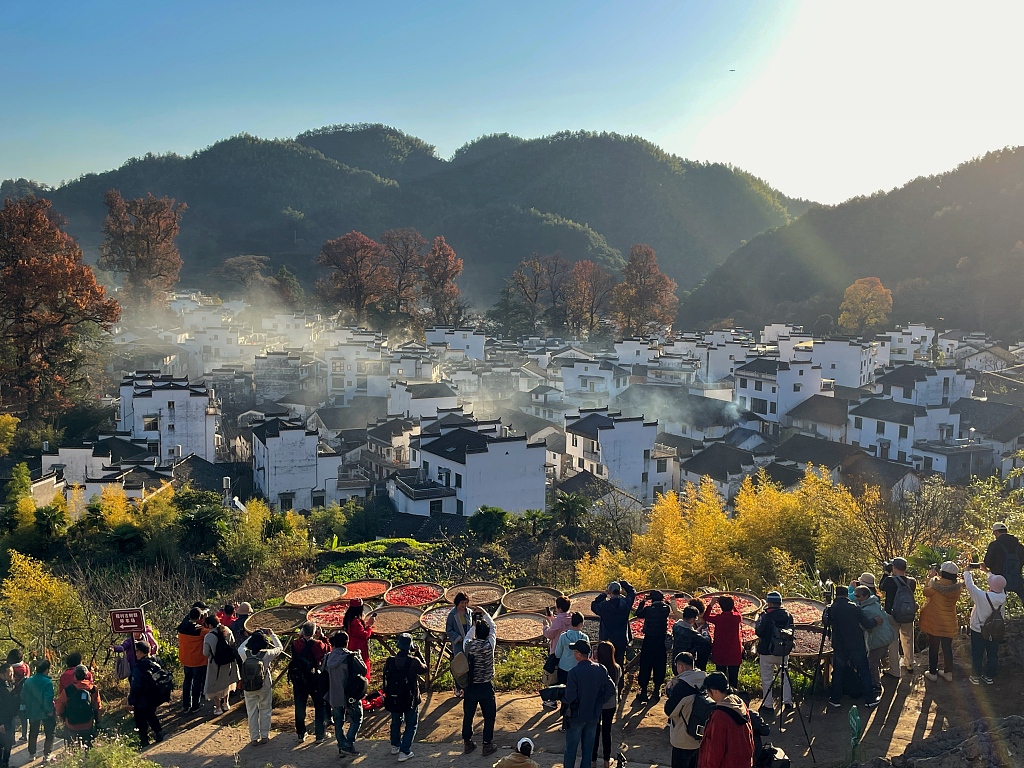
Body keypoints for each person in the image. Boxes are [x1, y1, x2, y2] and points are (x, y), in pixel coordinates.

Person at [563, 639, 616, 768]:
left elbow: (570, 697)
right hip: (593, 714)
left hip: (576, 715)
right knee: (587, 750)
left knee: (571, 749)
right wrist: (598, 702)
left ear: (578, 654)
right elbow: (611, 688)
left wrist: (562, 698)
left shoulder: (573, 673)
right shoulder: (601, 669)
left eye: (575, 651)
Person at [824, 589, 879, 709]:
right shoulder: (854, 608)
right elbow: (867, 624)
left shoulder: (832, 608)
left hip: (839, 645)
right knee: (864, 670)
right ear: (846, 594)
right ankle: (869, 699)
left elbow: (825, 622)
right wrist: (875, 621)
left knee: (838, 672)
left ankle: (835, 699)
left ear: (836, 595)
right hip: (856, 644)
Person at [383, 632, 428, 761]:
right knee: (411, 724)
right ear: (410, 646)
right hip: (410, 698)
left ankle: (395, 745)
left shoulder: (390, 660)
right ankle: (405, 751)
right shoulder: (414, 661)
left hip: (394, 697)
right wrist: (418, 653)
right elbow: (424, 669)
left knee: (396, 721)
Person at [697, 671, 754, 768]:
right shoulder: (740, 704)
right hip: (743, 761)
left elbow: (716, 749)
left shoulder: (720, 716)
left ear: (714, 691)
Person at [237, 628, 284, 745]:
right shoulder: (267, 654)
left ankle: (254, 738)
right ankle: (264, 736)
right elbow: (280, 648)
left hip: (248, 686)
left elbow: (240, 647)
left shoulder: (244, 653)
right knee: (265, 709)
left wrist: (251, 635)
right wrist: (272, 635)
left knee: (251, 711)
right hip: (264, 684)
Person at [325, 629, 367, 757]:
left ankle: (341, 745)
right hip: (350, 695)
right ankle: (348, 743)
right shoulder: (350, 657)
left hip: (334, 694)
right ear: (346, 642)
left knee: (338, 721)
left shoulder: (328, 657)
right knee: (357, 718)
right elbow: (363, 670)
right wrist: (358, 656)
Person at [919, 561, 963, 682]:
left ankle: (932, 672)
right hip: (949, 621)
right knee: (947, 647)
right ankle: (948, 672)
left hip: (935, 621)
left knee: (933, 646)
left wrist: (930, 578)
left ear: (942, 572)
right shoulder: (957, 587)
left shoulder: (935, 585)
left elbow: (925, 592)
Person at [462, 612, 499, 756]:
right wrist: (485, 614)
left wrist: (473, 625)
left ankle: (467, 743)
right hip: (486, 686)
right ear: (487, 633)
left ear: (476, 633)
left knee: (468, 715)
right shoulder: (490, 645)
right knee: (489, 716)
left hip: (471, 686)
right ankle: (487, 744)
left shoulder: (469, 646)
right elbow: (494, 627)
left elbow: (467, 636)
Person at [963, 568, 1007, 685]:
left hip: (978, 629)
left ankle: (975, 676)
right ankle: (989, 676)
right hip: (995, 631)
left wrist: (967, 572)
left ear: (991, 586)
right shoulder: (1003, 596)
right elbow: (997, 584)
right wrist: (987, 572)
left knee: (977, 653)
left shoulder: (982, 596)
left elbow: (970, 585)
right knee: (992, 653)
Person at [665, 652, 708, 768]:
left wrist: (670, 691)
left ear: (681, 667)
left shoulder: (682, 687)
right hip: (699, 736)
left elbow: (669, 710)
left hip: (682, 737)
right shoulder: (705, 680)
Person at [290, 621, 331, 742]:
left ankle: (301, 734)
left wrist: (300, 637)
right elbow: (329, 649)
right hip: (315, 678)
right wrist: (323, 636)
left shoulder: (295, 643)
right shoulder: (319, 644)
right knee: (319, 705)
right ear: (314, 632)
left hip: (299, 678)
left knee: (299, 705)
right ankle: (319, 734)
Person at [754, 591, 794, 713]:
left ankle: (768, 705)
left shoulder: (766, 616)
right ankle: (787, 702)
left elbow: (759, 632)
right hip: (783, 651)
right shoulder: (788, 615)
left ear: (769, 602)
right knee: (785, 676)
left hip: (767, 651)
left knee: (767, 678)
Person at [879, 557, 917, 678]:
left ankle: (895, 670)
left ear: (894, 568)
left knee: (893, 642)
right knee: (908, 639)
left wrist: (886, 572)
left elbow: (881, 587)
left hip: (892, 615)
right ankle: (909, 663)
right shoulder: (912, 582)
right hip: (907, 614)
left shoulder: (890, 581)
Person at [853, 585, 894, 696]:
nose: (856, 598)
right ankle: (883, 666)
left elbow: (866, 626)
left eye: (858, 596)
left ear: (866, 596)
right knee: (877, 659)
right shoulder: (874, 603)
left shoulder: (867, 610)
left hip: (877, 641)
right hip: (886, 637)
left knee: (872, 663)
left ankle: (876, 686)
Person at [635, 590, 671, 704]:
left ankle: (644, 691)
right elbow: (667, 605)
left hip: (649, 639)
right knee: (660, 664)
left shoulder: (648, 610)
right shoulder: (666, 609)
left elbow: (638, 613)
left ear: (652, 599)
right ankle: (656, 690)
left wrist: (643, 602)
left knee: (645, 664)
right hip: (661, 640)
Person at [128, 641, 166, 748]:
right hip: (153, 697)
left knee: (140, 720)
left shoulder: (138, 668)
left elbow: (135, 686)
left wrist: (131, 701)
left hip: (141, 698)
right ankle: (159, 733)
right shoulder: (155, 663)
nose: (135, 653)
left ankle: (144, 741)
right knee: (151, 714)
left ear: (140, 652)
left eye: (136, 651)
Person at [591, 580, 637, 667]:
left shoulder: (604, 606)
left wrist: (604, 594)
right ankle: (619, 679)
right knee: (619, 664)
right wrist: (624, 583)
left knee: (605, 664)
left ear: (609, 592)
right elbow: (632, 592)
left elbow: (594, 605)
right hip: (621, 638)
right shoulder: (626, 603)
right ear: (620, 591)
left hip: (607, 639)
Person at [203, 614, 241, 716]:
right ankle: (226, 703)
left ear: (210, 625)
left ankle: (218, 707)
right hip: (228, 662)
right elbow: (233, 644)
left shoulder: (209, 636)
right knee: (226, 682)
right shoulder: (227, 630)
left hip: (215, 664)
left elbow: (206, 653)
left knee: (215, 685)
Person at [55, 665, 101, 747]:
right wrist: (97, 722)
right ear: (86, 675)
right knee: (87, 746)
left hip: (71, 724)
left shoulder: (69, 690)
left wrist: (64, 718)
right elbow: (97, 707)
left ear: (75, 675)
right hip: (87, 723)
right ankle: (87, 758)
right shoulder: (92, 689)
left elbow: (59, 707)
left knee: (72, 747)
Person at [592, 641, 621, 768]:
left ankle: (592, 760)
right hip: (610, 704)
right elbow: (617, 684)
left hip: (596, 703)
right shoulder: (616, 668)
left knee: (595, 730)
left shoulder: (595, 667)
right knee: (607, 731)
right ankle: (606, 760)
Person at [704, 596, 743, 689]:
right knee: (734, 679)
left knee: (720, 678)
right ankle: (733, 696)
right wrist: (731, 605)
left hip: (720, 651)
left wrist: (711, 604)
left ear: (721, 606)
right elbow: (738, 613)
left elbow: (706, 616)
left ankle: (721, 697)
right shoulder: (737, 618)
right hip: (734, 652)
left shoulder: (718, 618)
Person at [177, 606, 210, 713]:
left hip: (185, 659)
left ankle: (185, 705)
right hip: (197, 661)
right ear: (200, 617)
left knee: (187, 682)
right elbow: (211, 632)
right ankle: (195, 705)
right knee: (197, 683)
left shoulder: (181, 627)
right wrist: (205, 620)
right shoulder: (201, 631)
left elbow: (187, 620)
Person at [22, 659, 55, 763]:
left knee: (33, 732)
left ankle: (32, 754)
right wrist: (49, 710)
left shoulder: (28, 681)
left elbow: (23, 696)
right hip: (45, 712)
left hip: (32, 711)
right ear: (46, 670)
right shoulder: (48, 682)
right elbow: (48, 698)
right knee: (49, 733)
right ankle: (46, 754)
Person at [983, 522, 1024, 601]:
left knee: (996, 603)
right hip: (1016, 579)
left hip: (998, 581)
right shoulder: (1019, 546)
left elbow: (987, 563)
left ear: (996, 532)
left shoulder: (994, 545)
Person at [446, 592, 473, 696]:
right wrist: (458, 637)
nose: (464, 605)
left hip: (469, 643)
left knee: (469, 665)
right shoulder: (452, 615)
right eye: (462, 603)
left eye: (465, 603)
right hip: (458, 643)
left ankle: (467, 688)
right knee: (459, 665)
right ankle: (458, 688)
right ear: (457, 603)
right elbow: (449, 630)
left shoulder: (469, 612)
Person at [671, 605, 712, 671]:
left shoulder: (676, 625)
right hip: (687, 664)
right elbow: (705, 641)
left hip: (676, 661)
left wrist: (696, 631)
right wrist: (705, 632)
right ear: (693, 618)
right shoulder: (692, 633)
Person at [342, 599, 375, 681]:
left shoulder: (348, 618)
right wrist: (369, 626)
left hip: (351, 644)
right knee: (361, 664)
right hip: (359, 646)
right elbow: (364, 635)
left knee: (353, 664)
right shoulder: (356, 621)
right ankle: (362, 683)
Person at [554, 612, 589, 684]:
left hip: (563, 668)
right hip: (579, 669)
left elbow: (557, 654)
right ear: (581, 624)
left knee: (562, 692)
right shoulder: (584, 638)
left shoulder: (563, 636)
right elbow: (588, 654)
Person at [7, 650, 29, 742]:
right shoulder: (26, 667)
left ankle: (12, 737)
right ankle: (25, 735)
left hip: (13, 696)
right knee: (24, 716)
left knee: (11, 717)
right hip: (24, 696)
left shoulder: (11, 669)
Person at [0, 665, 18, 768]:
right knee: (3, 744)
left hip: (10, 719)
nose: (12, 675)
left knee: (9, 743)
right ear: (2, 674)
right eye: (9, 673)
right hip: (3, 721)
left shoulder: (10, 683)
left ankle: (5, 763)